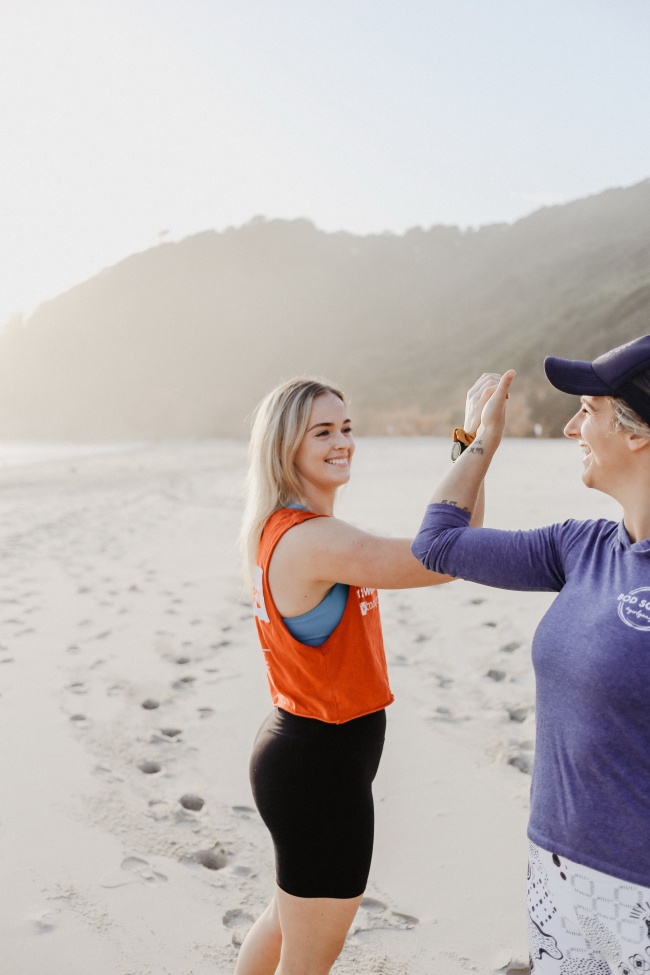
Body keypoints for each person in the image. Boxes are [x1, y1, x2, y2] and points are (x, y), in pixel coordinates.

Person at [235, 374, 494, 975]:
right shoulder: (315, 540)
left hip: (304, 757)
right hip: (318, 772)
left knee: (284, 921)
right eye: (321, 431)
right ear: (285, 447)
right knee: (307, 960)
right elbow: (445, 557)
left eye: (346, 427)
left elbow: (459, 543)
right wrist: (476, 446)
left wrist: (470, 449)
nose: (342, 441)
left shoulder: (286, 527)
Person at [411, 335, 650, 974]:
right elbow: (438, 543)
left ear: (639, 433)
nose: (571, 424)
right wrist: (474, 438)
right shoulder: (582, 547)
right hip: (558, 867)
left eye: (589, 409)